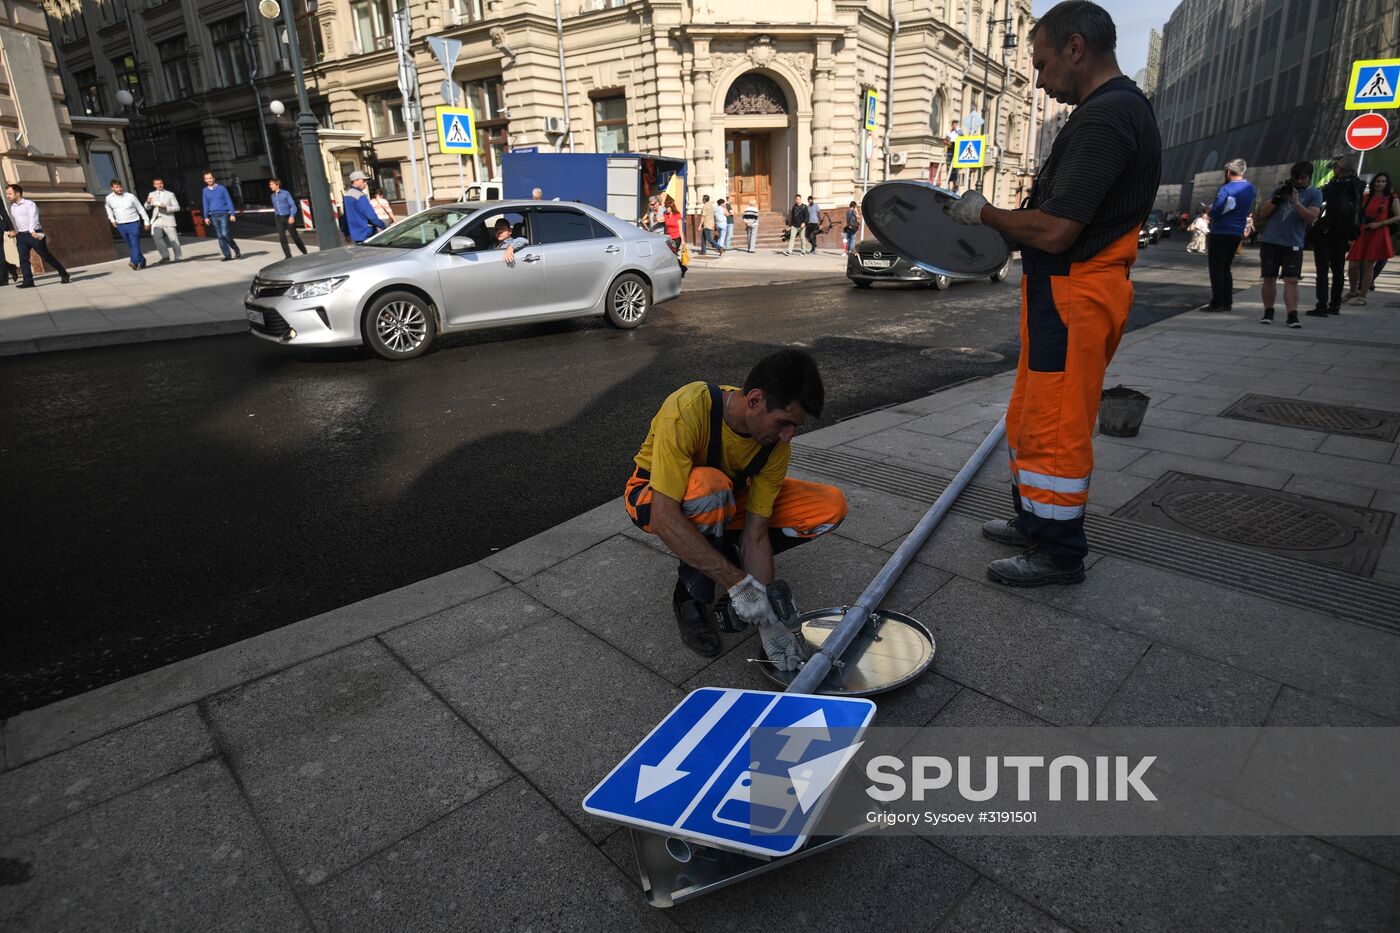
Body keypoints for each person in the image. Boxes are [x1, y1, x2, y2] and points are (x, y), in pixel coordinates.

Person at [945, 0, 1160, 586]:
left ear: (1075, 48)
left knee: (1057, 425)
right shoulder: (1113, 110)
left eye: (1041, 64)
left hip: (1076, 292)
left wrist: (985, 214)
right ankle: (1034, 521)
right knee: (1030, 415)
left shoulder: (1106, 117)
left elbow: (1058, 228)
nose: (1038, 79)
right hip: (1066, 292)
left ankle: (1059, 552)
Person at [623, 349, 847, 666]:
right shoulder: (689, 407)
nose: (788, 436)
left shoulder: (774, 446)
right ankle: (690, 596)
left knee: (829, 506)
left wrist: (768, 618)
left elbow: (756, 534)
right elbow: (664, 515)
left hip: (725, 498)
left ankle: (716, 552)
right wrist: (736, 583)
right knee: (709, 487)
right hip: (654, 496)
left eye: (795, 427)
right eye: (784, 423)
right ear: (754, 400)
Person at [1256, 161, 1322, 327]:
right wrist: (1278, 197)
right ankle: (1268, 312)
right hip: (1271, 240)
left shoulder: (1314, 193)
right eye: (1296, 178)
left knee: (1291, 279)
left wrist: (1296, 202)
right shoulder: (1281, 190)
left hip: (1293, 241)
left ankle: (1292, 315)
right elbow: (1263, 213)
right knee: (1269, 277)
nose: (1299, 181)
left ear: (1309, 177)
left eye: (1303, 178)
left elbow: (1311, 218)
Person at [1307, 157, 1364, 317]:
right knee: (1338, 271)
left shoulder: (1332, 187)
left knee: (1323, 271)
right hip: (1344, 234)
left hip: (1326, 232)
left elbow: (1320, 203)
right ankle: (1335, 305)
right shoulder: (1358, 187)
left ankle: (1322, 305)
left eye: (1336, 167)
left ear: (1339, 169)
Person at [1200, 159, 1255, 312]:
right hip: (1236, 232)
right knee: (1226, 268)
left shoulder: (1225, 188)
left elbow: (1216, 210)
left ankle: (1217, 302)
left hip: (1220, 231)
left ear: (1228, 172)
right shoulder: (1251, 188)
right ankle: (1227, 301)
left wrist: (1209, 211)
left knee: (1216, 268)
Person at [1344, 172, 1399, 306]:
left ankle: (1363, 296)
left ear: (1387, 184)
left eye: (1383, 181)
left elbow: (1398, 216)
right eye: (1378, 181)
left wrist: (1381, 224)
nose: (1380, 184)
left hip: (1378, 232)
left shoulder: (1392, 198)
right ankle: (1353, 291)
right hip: (1363, 232)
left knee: (1368, 265)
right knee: (1352, 265)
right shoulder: (1367, 197)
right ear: (1373, 182)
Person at [5, 184, 72, 287]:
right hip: (22, 236)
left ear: (17, 193)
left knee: (46, 256)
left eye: (9, 193)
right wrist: (14, 231)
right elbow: (17, 221)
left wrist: (32, 230)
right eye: (7, 194)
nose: (8, 196)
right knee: (23, 259)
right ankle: (28, 281)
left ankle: (64, 273)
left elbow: (34, 218)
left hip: (34, 233)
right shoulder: (13, 207)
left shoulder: (29, 204)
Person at [104, 179, 150, 270]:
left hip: (133, 223)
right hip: (120, 225)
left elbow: (140, 209)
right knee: (130, 244)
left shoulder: (130, 196)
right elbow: (108, 208)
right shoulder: (109, 198)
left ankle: (134, 262)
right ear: (112, 188)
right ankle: (142, 261)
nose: (119, 188)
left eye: (120, 186)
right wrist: (112, 219)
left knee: (135, 243)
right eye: (117, 187)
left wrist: (146, 221)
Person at [201, 171, 241, 261]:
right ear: (204, 180)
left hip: (223, 213)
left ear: (214, 178)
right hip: (214, 215)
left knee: (225, 234)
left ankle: (235, 248)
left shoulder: (221, 188)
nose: (209, 180)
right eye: (207, 178)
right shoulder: (205, 191)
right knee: (220, 236)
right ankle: (227, 255)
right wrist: (206, 217)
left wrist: (232, 214)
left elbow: (229, 201)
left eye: (210, 178)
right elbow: (205, 204)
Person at [342, 170, 386, 244]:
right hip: (367, 233)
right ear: (355, 181)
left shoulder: (347, 195)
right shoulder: (360, 196)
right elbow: (371, 216)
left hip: (356, 235)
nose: (366, 183)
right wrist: (383, 227)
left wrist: (346, 233)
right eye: (364, 181)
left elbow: (345, 217)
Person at [145, 177, 182, 263]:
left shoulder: (170, 194)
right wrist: (148, 202)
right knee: (157, 238)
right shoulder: (151, 194)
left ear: (163, 183)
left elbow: (177, 207)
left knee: (173, 239)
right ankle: (165, 256)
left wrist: (166, 207)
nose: (159, 185)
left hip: (168, 218)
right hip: (156, 219)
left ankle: (178, 257)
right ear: (154, 185)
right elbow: (147, 207)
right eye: (157, 184)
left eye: (160, 183)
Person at [269, 179, 308, 259]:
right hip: (278, 218)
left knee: (294, 236)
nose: (270, 186)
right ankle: (288, 256)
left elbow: (293, 205)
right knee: (282, 238)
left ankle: (304, 252)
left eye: (272, 184)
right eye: (270, 185)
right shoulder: (272, 196)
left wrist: (292, 216)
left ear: (277, 185)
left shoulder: (285, 193)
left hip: (288, 217)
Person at [946, 120, 962, 189]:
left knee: (955, 166)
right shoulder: (949, 132)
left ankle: (955, 184)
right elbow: (946, 139)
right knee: (949, 165)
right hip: (951, 146)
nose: (954, 126)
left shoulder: (959, 132)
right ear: (952, 125)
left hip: (957, 146)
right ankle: (949, 184)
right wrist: (947, 142)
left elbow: (962, 138)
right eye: (953, 125)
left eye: (955, 125)